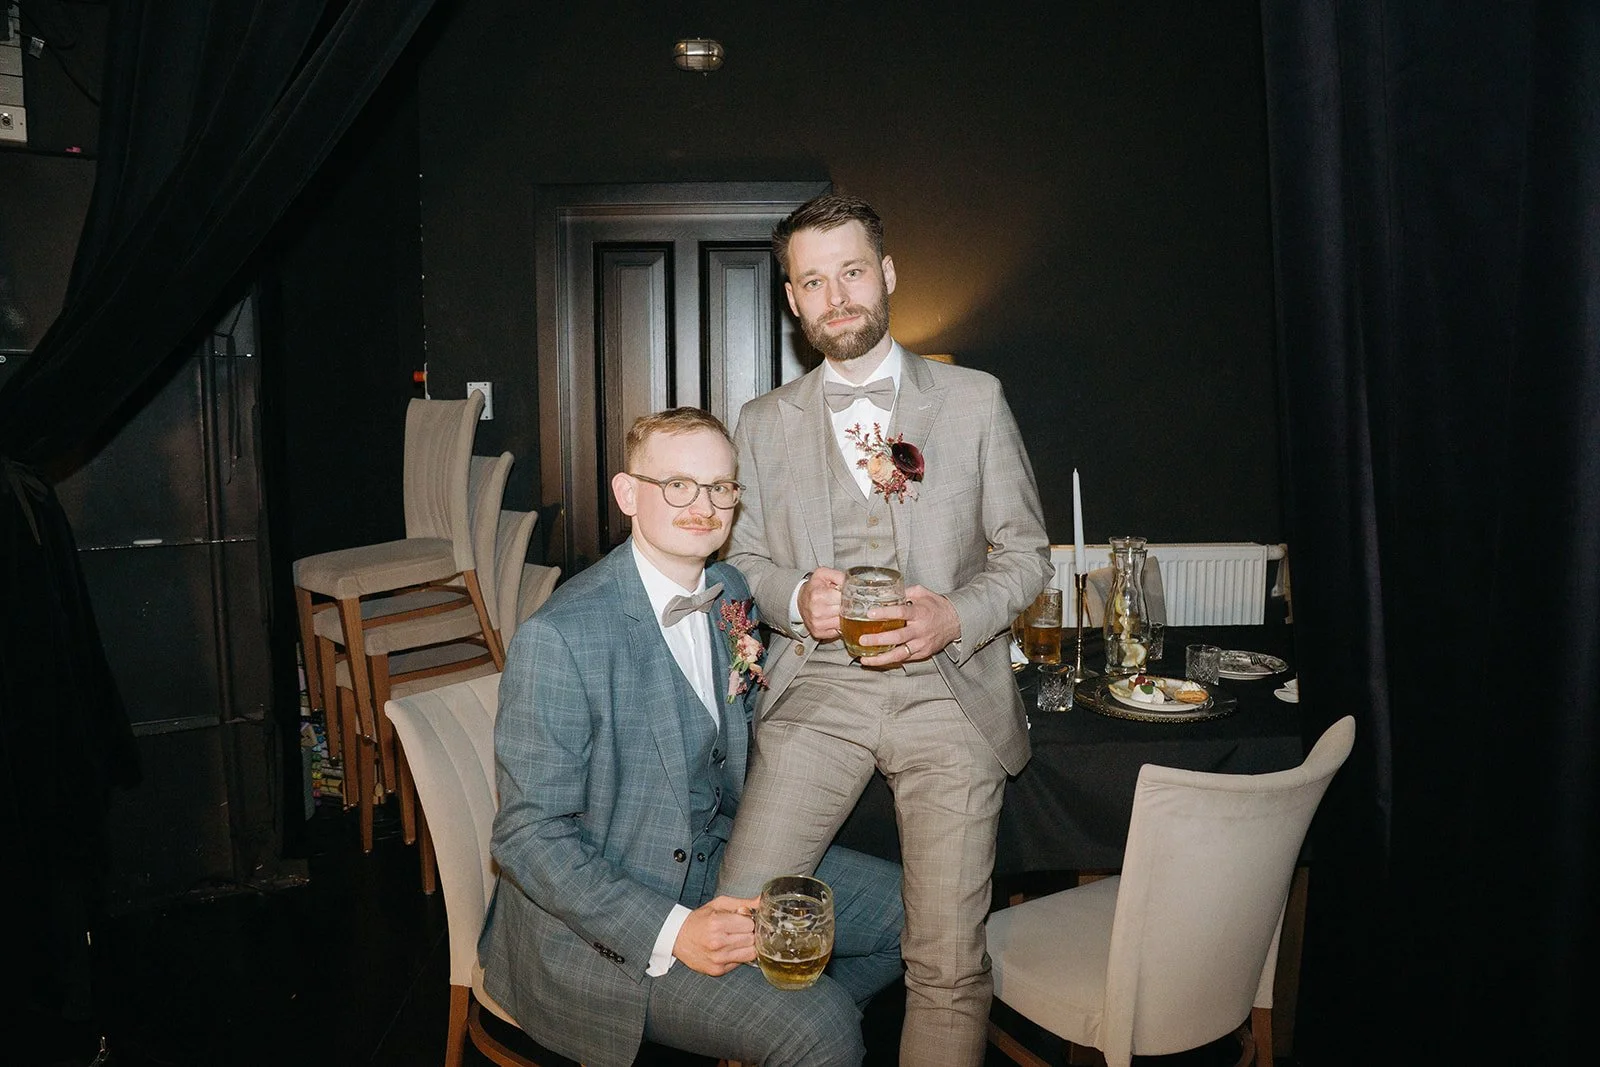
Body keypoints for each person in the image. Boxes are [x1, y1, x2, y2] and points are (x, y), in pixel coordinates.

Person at [716, 193, 1053, 1066]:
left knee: (945, 963)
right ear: (792, 300)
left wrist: (956, 614)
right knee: (737, 923)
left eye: (853, 271)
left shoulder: (976, 400)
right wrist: (795, 601)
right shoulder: (760, 423)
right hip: (819, 689)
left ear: (888, 273)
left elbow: (1026, 557)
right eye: (814, 281)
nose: (838, 296)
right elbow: (742, 560)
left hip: (950, 692)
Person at [478, 407, 905, 1067]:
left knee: (914, 918)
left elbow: (744, 712)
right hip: (604, 929)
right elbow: (527, 838)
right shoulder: (560, 637)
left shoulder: (728, 593)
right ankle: (797, 1034)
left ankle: (774, 1033)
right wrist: (675, 931)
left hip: (721, 863)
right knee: (817, 1031)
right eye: (677, 484)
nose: (703, 505)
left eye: (720, 487)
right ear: (628, 494)